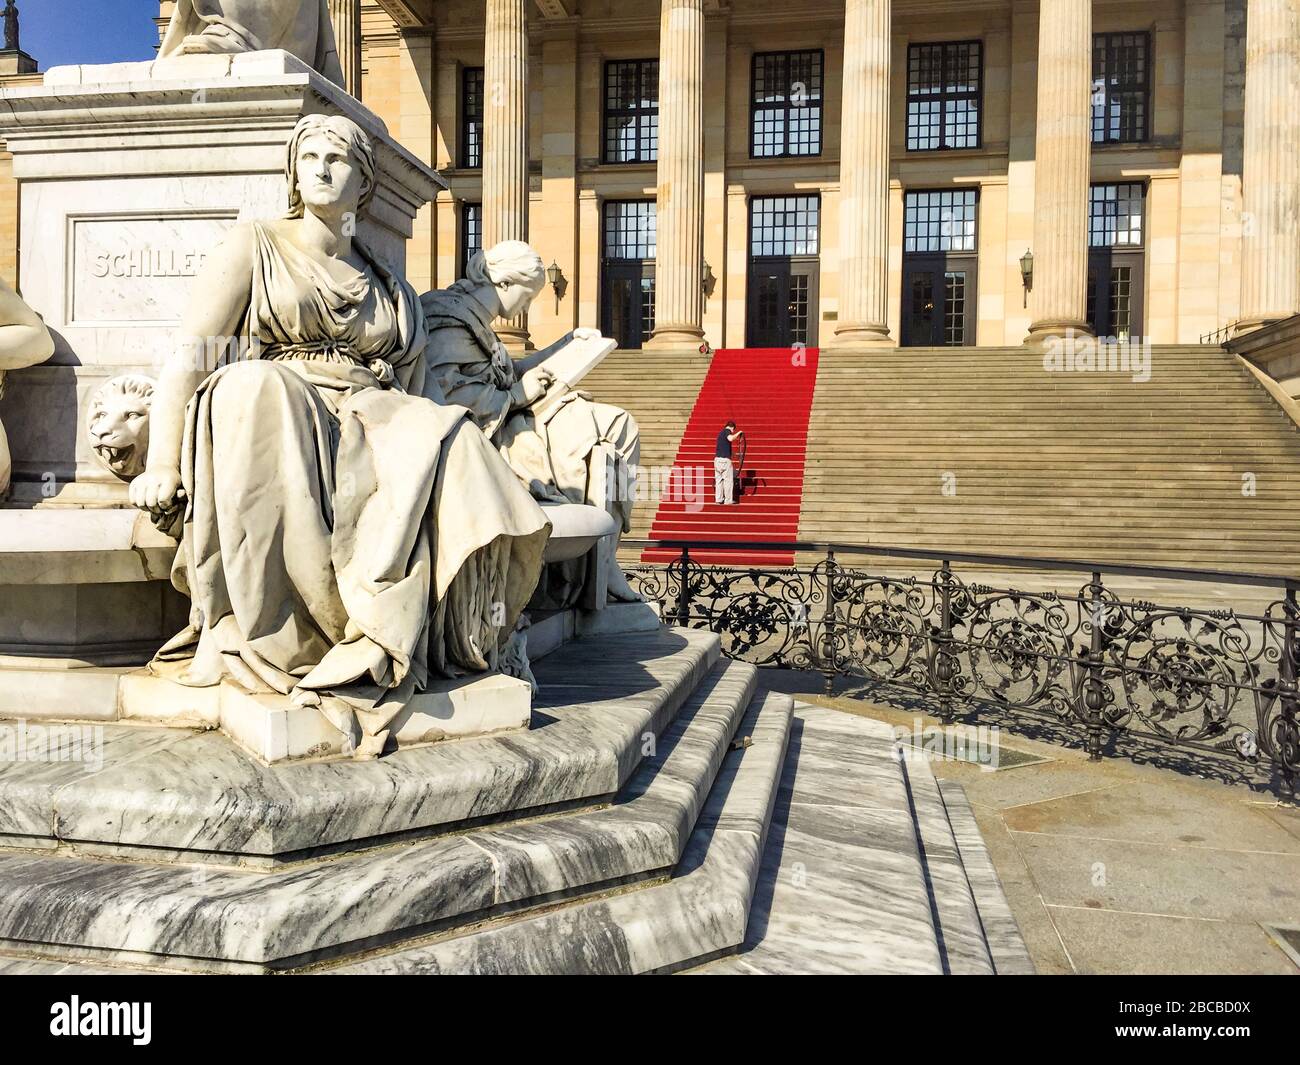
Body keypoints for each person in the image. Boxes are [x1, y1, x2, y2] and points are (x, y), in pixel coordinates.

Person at [128, 114, 550, 757]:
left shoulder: (391, 286)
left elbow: (423, 395)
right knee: (255, 389)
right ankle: (294, 638)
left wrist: (460, 429)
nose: (322, 168)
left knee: (452, 438)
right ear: (293, 173)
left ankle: (448, 637)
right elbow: (191, 356)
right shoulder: (254, 246)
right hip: (285, 398)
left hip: (372, 409)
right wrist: (160, 460)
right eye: (310, 157)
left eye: (339, 159)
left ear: (364, 185)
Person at [422, 242, 642, 606]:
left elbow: (508, 371)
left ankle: (604, 561)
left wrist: (566, 344)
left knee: (618, 424)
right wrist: (517, 396)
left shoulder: (479, 322)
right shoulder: (447, 315)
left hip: (511, 417)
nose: (527, 308)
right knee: (613, 425)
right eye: (528, 296)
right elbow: (448, 399)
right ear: (505, 283)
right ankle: (599, 566)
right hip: (489, 431)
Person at [715, 420, 743, 505]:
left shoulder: (720, 433)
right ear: (732, 428)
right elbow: (730, 438)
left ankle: (718, 499)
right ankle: (728, 500)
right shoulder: (727, 431)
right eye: (733, 430)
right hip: (725, 461)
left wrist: (734, 455)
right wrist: (739, 433)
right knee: (728, 481)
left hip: (717, 460)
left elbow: (724, 447)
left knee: (719, 480)